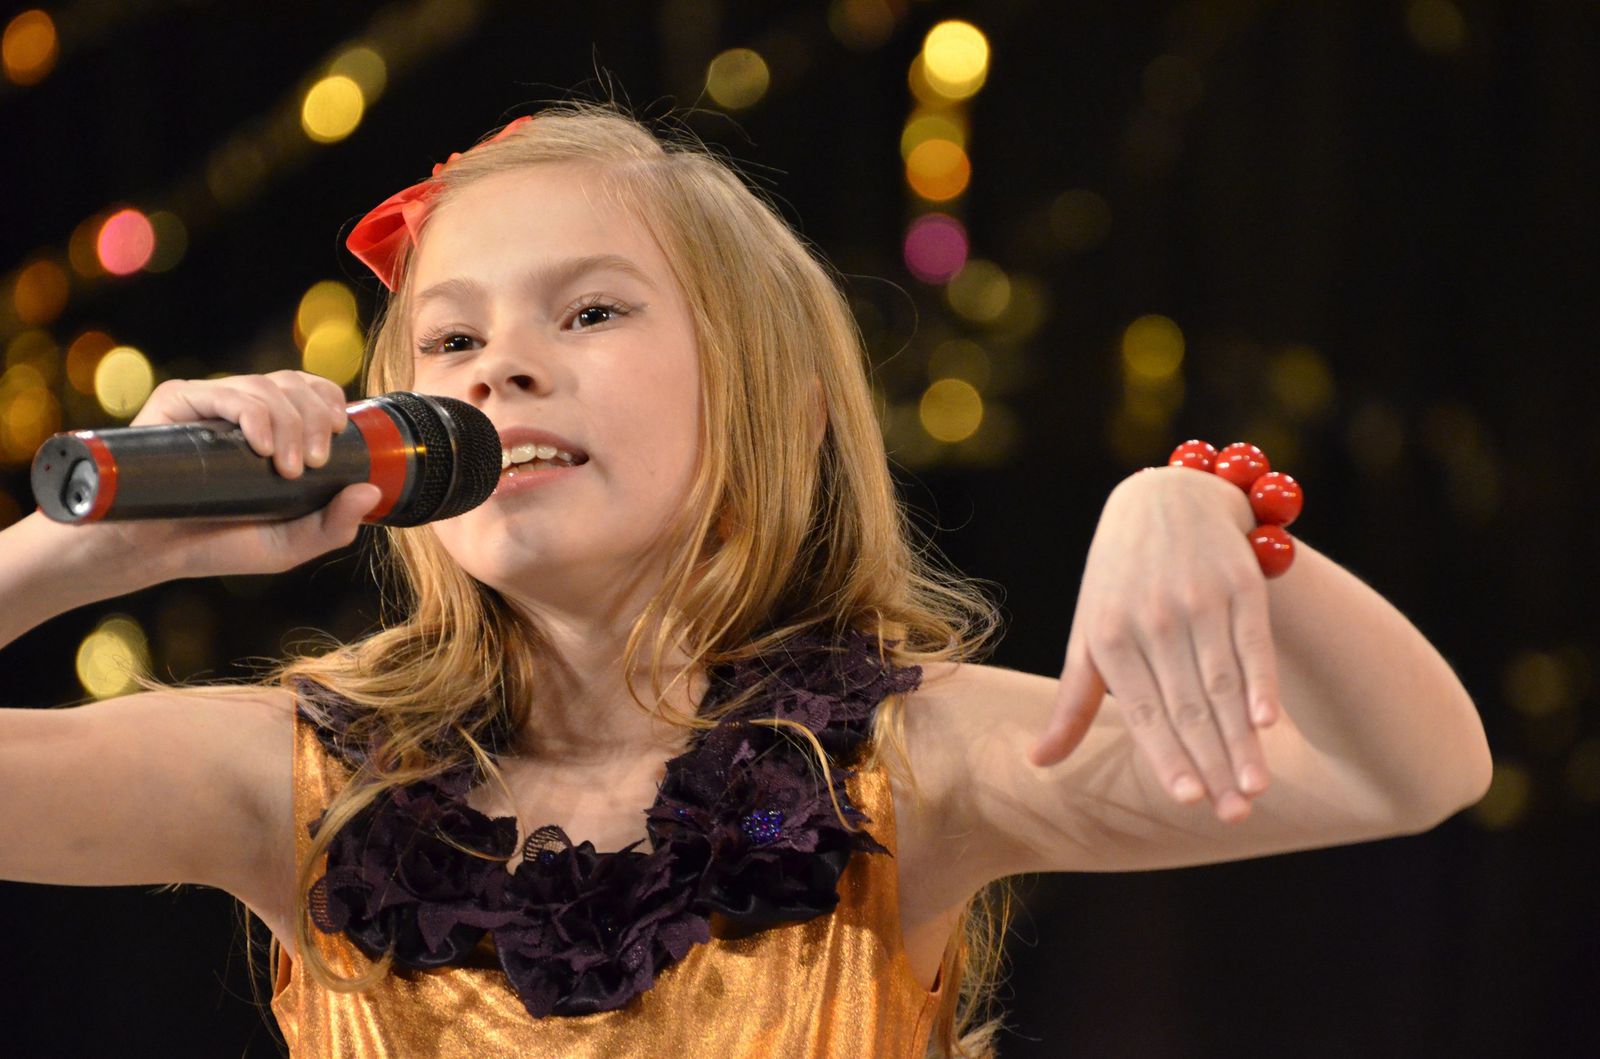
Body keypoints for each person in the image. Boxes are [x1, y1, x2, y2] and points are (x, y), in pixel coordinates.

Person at [0, 103, 1493, 1058]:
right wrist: (80, 550)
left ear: (778, 405)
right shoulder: (309, 783)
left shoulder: (898, 768)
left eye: (590, 312)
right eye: (449, 341)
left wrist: (1212, 513)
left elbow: (1407, 772)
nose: (501, 365)